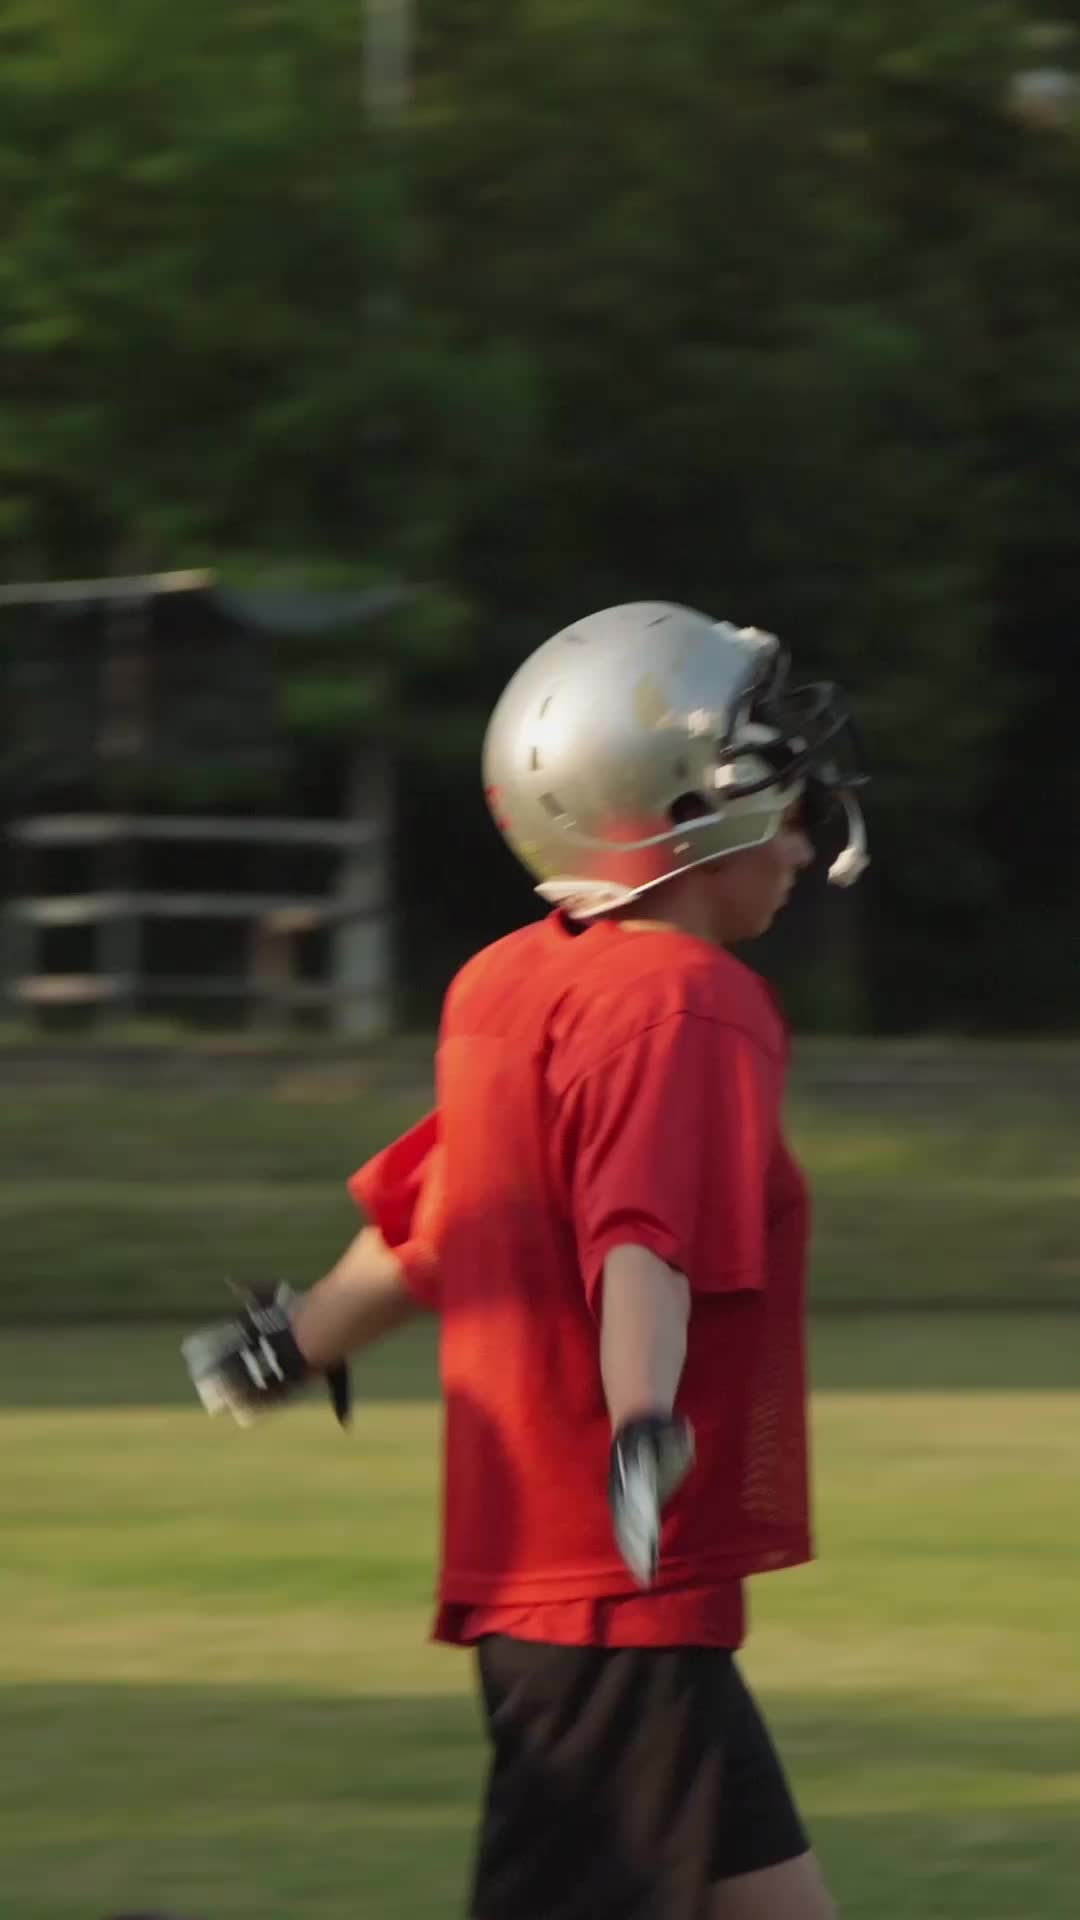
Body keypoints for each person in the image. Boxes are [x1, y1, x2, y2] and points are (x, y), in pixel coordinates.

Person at [183, 602, 870, 1920]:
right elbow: (642, 1235)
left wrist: (293, 1344)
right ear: (684, 809)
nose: (800, 839)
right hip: (617, 1580)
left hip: (558, 1579)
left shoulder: (511, 983)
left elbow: (446, 1221)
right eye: (781, 801)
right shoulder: (692, 1004)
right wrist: (644, 1423)